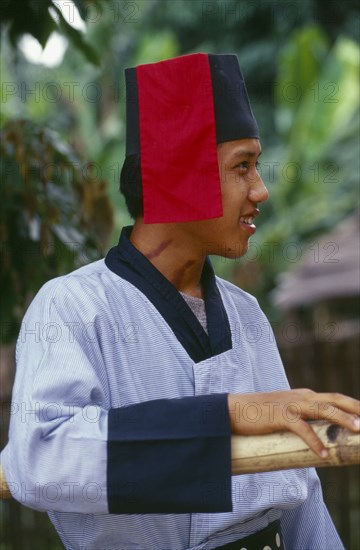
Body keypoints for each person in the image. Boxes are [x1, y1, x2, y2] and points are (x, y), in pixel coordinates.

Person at [1, 53, 359, 550]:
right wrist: (229, 414)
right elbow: (40, 460)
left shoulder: (246, 313)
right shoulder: (72, 307)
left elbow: (299, 486)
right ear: (177, 178)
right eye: (243, 167)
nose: (261, 190)